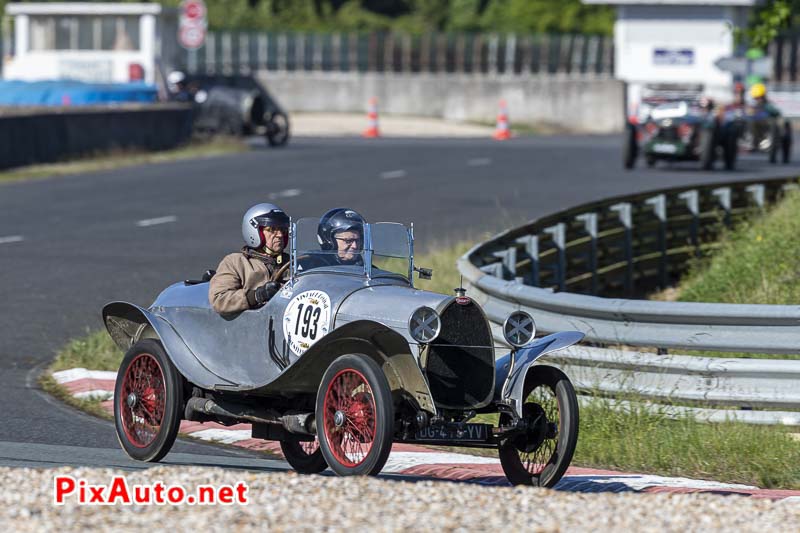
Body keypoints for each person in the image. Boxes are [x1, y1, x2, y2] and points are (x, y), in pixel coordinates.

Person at [209, 203, 290, 315]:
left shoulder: (293, 263)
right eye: (272, 229)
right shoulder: (236, 262)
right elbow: (219, 300)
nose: (280, 235)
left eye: (283, 230)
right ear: (254, 232)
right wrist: (257, 295)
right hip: (251, 327)